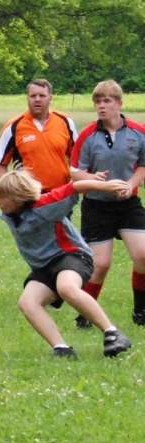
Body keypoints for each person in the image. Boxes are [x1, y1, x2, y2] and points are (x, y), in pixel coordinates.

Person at [0, 170, 132, 358]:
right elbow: (1, 198)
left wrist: (105, 187)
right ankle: (62, 349)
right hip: (44, 267)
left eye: (3, 196)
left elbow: (74, 187)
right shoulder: (9, 210)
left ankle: (112, 332)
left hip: (70, 256)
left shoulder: (46, 205)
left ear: (18, 197)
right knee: (28, 302)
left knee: (66, 288)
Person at [70, 80, 145, 326]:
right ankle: (86, 315)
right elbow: (75, 172)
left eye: (106, 101)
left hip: (128, 206)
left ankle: (140, 311)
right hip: (97, 207)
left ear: (119, 104)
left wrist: (130, 184)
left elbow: (143, 166)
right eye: (97, 102)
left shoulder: (137, 132)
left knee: (143, 255)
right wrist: (95, 180)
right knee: (100, 265)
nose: (101, 106)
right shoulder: (88, 136)